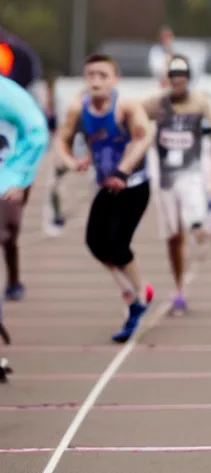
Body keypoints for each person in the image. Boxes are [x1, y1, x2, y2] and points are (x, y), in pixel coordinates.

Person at [55, 54, 155, 342]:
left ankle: (137, 300)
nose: (96, 81)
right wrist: (72, 162)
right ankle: (135, 291)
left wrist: (123, 171)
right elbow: (60, 140)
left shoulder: (126, 107)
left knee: (117, 245)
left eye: (102, 75)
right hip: (105, 186)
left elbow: (143, 137)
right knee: (94, 243)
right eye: (91, 75)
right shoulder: (78, 109)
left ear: (115, 79)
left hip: (134, 186)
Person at [142, 55, 211, 315]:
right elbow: (132, 114)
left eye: (182, 78)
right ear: (168, 80)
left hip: (191, 172)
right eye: (174, 79)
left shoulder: (200, 101)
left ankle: (203, 223)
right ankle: (179, 289)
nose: (178, 84)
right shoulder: (157, 103)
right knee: (173, 237)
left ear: (189, 79)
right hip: (165, 176)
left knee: (193, 216)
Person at [0, 74, 49, 378]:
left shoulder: (9, 95)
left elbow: (37, 132)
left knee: (9, 238)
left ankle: (15, 281)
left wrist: (19, 176)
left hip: (4, 185)